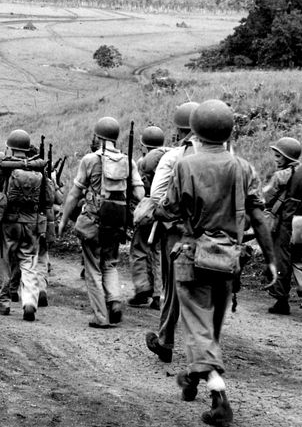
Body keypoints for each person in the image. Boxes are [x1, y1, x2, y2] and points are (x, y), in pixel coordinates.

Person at [154, 99, 277, 427]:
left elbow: (170, 209)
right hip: (229, 260)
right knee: (211, 330)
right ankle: (192, 378)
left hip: (193, 257)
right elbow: (259, 217)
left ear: (194, 130)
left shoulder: (185, 165)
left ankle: (219, 395)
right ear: (229, 130)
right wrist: (271, 261)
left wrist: (155, 211)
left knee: (197, 327)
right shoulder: (243, 167)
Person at [59, 117, 145, 328]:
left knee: (93, 269)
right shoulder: (128, 161)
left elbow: (73, 194)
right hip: (116, 223)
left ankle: (100, 316)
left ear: (98, 136)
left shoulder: (89, 160)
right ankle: (114, 300)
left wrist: (63, 220)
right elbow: (140, 194)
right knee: (110, 264)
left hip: (93, 221)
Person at [145, 101, 200, 361]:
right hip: (212, 234)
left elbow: (157, 197)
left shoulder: (173, 156)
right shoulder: (227, 158)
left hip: (177, 233)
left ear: (180, 130)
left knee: (173, 287)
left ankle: (166, 341)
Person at [0, 130, 53, 321]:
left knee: (6, 261)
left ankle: (3, 304)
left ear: (10, 146)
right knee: (29, 262)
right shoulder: (38, 168)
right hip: (32, 222)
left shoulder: (5, 167)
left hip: (9, 222)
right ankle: (29, 302)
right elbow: (49, 199)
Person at [264, 137, 302, 315]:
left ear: (286, 157)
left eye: (278, 156)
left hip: (285, 223)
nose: (275, 160)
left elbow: (267, 198)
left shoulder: (280, 176)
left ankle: (281, 301)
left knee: (281, 259)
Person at [129, 125, 168, 310]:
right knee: (158, 253)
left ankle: (142, 289)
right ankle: (158, 294)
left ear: (144, 145)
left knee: (138, 249)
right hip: (166, 211)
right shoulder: (171, 159)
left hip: (149, 209)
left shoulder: (143, 163)